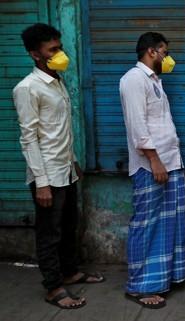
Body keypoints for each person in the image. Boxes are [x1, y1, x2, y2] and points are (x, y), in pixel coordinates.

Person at [13, 23, 104, 310]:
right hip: (47, 175)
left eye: (59, 47)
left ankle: (69, 271)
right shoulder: (27, 89)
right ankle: (53, 287)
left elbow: (59, 131)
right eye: (52, 50)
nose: (60, 54)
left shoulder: (58, 81)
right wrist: (41, 182)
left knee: (67, 226)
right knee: (49, 233)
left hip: (64, 169)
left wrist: (73, 161)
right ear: (34, 54)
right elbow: (29, 138)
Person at [119, 32, 185, 309]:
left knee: (168, 223)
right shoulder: (133, 80)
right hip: (152, 166)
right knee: (146, 224)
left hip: (170, 163)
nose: (167, 58)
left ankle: (161, 278)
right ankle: (138, 286)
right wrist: (155, 161)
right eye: (164, 52)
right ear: (151, 52)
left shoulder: (154, 81)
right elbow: (138, 127)